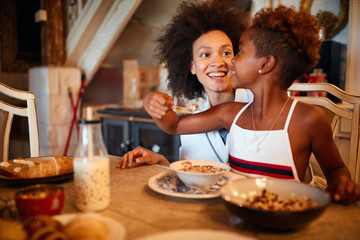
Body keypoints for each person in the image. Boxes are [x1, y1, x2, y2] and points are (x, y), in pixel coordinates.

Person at [143, 5, 360, 203]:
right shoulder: (229, 113)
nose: (228, 62)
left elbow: (336, 170)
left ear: (265, 64)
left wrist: (341, 182)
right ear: (191, 66)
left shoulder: (308, 119)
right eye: (206, 54)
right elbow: (174, 127)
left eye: (236, 52)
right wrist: (150, 99)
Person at [117, 0, 251, 169]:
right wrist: (160, 161)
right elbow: (188, 174)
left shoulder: (259, 104)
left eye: (225, 52)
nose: (217, 62)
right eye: (205, 54)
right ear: (192, 67)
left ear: (236, 58)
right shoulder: (190, 127)